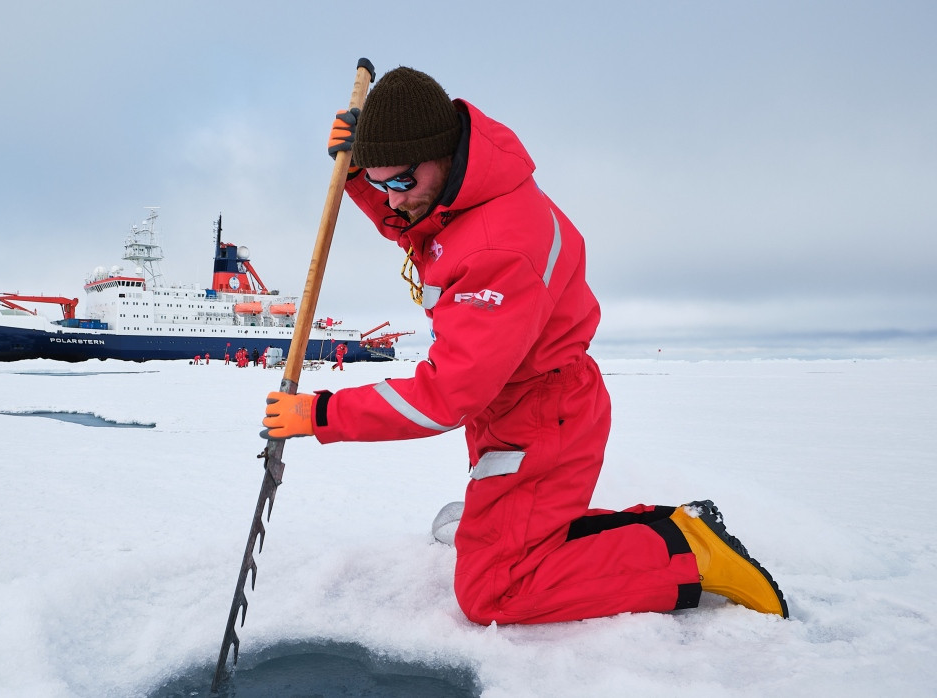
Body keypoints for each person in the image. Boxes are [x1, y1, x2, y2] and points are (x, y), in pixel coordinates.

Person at [262, 66, 787, 625]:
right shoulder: (462, 193)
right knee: (505, 548)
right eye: (381, 182)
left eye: (400, 183)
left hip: (543, 414)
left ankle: (688, 555)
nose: (393, 201)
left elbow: (445, 394)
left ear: (440, 154)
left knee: (496, 591)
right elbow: (416, 222)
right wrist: (357, 178)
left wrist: (320, 414)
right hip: (512, 401)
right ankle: (555, 531)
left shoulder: (498, 249)